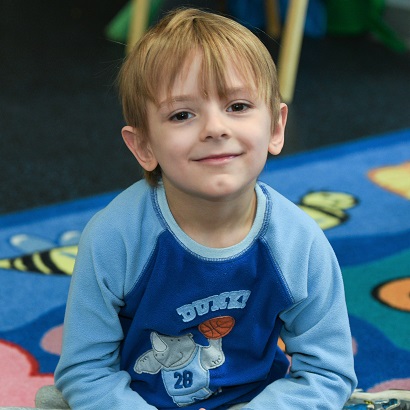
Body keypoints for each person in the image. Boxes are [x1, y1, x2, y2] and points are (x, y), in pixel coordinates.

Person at [54, 7, 357, 410]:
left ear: (276, 128)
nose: (216, 128)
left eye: (238, 106)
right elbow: (86, 370)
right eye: (182, 114)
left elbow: (327, 371)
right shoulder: (114, 237)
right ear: (143, 145)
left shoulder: (299, 242)